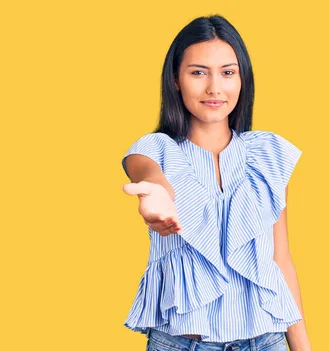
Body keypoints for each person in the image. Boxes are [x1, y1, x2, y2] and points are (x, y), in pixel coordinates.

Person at [120, 15, 312, 351]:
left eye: (227, 72)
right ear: (176, 80)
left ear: (242, 79)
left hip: (267, 341)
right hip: (184, 344)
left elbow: (280, 261)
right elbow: (146, 173)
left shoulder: (266, 155)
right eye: (198, 72)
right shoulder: (157, 150)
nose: (214, 88)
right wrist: (157, 196)